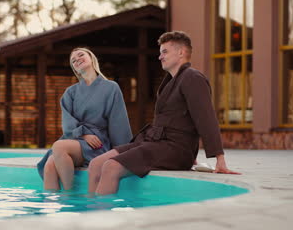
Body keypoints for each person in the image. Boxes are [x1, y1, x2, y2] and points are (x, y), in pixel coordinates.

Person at [87, 31, 241, 195]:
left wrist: (219, 159)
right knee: (96, 164)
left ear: (181, 52)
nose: (160, 57)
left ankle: (100, 216)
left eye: (165, 52)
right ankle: (90, 210)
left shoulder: (193, 78)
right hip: (155, 143)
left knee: (112, 167)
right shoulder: (170, 81)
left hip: (175, 149)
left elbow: (206, 119)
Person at [37, 47, 132, 191]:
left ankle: (69, 195)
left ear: (91, 58)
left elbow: (118, 121)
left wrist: (122, 151)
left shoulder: (111, 88)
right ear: (74, 68)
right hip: (74, 137)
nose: (77, 60)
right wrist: (83, 134)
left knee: (58, 146)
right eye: (73, 61)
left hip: (97, 142)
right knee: (49, 166)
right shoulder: (71, 92)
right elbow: (67, 121)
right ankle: (52, 207)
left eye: (81, 55)